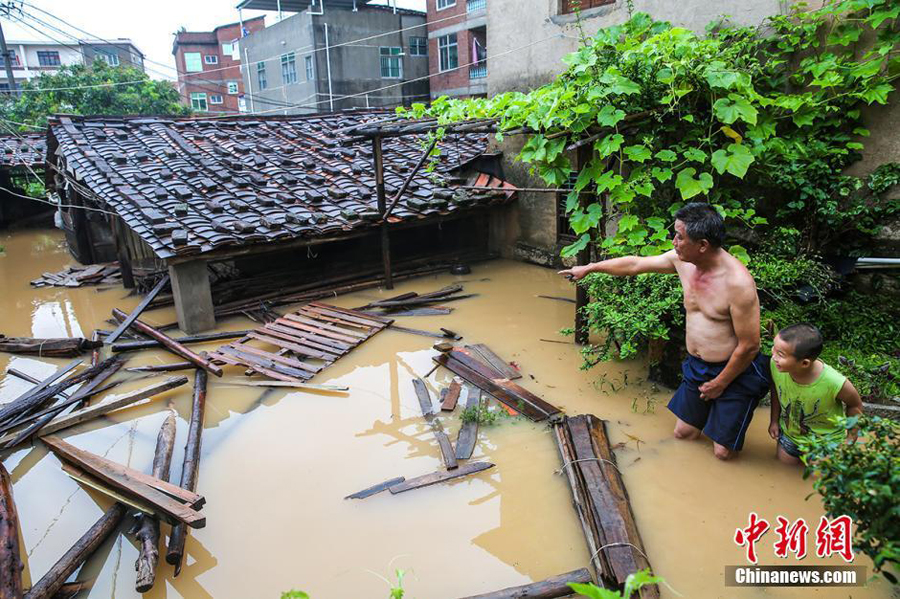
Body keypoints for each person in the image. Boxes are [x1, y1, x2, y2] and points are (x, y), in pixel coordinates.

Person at [558, 202, 770, 460]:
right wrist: (589, 268)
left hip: (735, 371)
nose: (674, 241)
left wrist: (719, 383)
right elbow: (635, 265)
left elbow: (750, 346)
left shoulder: (738, 284)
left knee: (722, 453)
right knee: (684, 435)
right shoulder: (683, 262)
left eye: (680, 237)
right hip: (698, 366)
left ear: (702, 245)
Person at [768, 323, 863, 465]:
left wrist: (849, 441)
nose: (773, 356)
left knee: (818, 480)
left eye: (780, 354)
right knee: (784, 470)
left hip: (826, 444)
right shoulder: (777, 366)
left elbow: (855, 404)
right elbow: (776, 390)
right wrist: (774, 420)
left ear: (805, 363)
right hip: (789, 438)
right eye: (774, 349)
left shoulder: (834, 382)